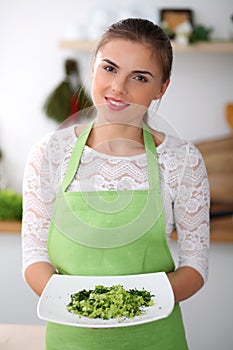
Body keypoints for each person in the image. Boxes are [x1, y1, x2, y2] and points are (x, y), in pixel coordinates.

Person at [22, 18, 210, 350]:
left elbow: (195, 265)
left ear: (161, 87)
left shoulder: (182, 159)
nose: (118, 88)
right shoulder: (49, 154)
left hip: (155, 337)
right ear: (93, 68)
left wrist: (133, 307)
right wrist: (83, 309)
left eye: (139, 77)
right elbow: (35, 257)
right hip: (72, 337)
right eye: (110, 68)